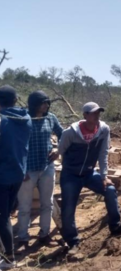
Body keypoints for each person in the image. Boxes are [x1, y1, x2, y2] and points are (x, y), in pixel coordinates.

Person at [58, 102, 121, 255]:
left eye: (98, 113)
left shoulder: (103, 130)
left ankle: (116, 226)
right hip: (71, 175)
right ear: (85, 115)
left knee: (109, 189)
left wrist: (104, 176)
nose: (96, 116)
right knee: (68, 208)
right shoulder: (70, 133)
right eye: (93, 113)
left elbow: (103, 154)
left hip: (89, 173)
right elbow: (61, 149)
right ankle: (73, 242)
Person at [17, 91, 63, 248]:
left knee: (47, 204)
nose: (46, 105)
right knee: (24, 206)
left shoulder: (50, 118)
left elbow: (63, 134)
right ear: (33, 103)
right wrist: (20, 170)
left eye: (47, 102)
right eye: (42, 102)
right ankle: (23, 238)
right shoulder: (23, 119)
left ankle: (44, 235)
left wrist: (58, 150)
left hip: (46, 167)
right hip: (27, 170)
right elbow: (15, 145)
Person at [0, 85, 32, 269]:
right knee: (5, 215)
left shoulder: (2, 121)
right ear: (15, 100)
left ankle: (9, 258)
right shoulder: (26, 118)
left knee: (2, 217)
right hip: (18, 174)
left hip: (2, 175)